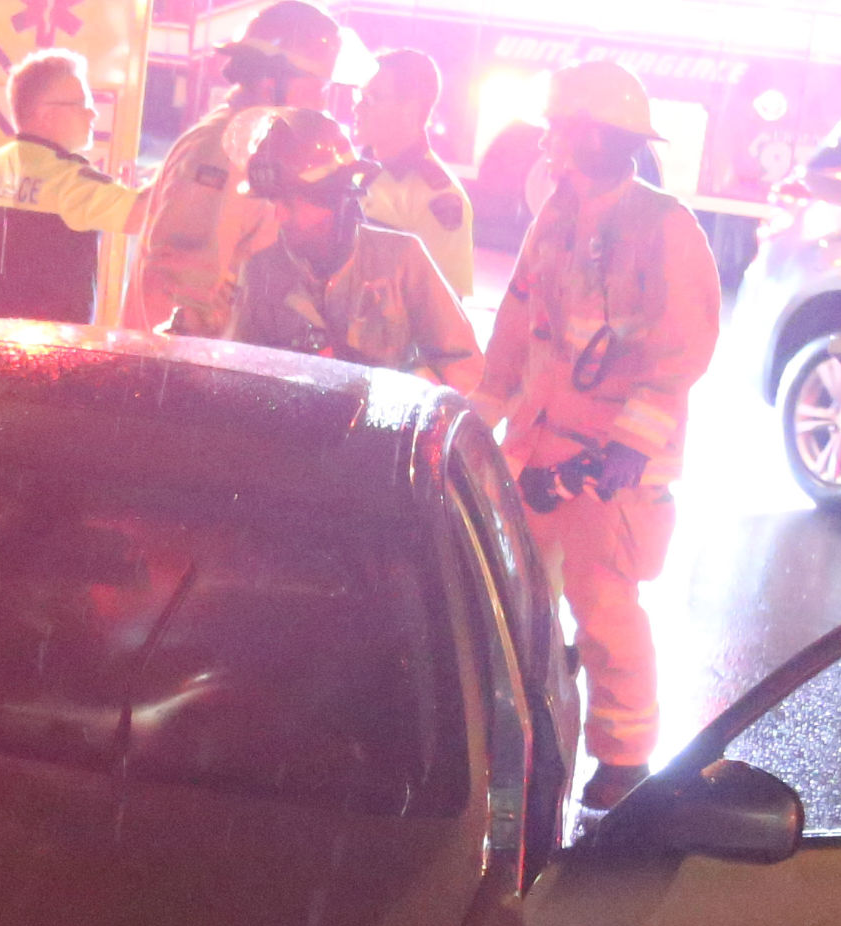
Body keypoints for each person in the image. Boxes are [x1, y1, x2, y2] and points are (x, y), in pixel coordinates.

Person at [472, 60, 720, 810]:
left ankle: (623, 761)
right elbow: (518, 319)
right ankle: (520, 742)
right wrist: (484, 411)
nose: (549, 142)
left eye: (560, 129)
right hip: (540, 448)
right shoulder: (557, 215)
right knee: (512, 604)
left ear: (596, 139)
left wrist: (630, 446)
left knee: (605, 610)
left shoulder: (664, 226)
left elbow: (681, 348)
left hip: (611, 468)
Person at [131, 0, 340, 335]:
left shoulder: (255, 146)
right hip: (197, 361)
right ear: (270, 84)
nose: (321, 102)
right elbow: (179, 283)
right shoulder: (223, 150)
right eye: (318, 88)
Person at [228, 111, 481, 379]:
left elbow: (464, 366)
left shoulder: (402, 260)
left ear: (331, 200)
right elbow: (240, 371)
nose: (278, 215)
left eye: (289, 203)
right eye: (273, 201)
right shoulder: (261, 269)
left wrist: (412, 394)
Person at [0, 48, 144, 322]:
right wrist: (181, 171)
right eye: (82, 104)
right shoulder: (69, 181)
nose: (93, 114)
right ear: (46, 115)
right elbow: (145, 216)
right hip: (55, 345)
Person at [356, 46, 480, 308]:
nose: (357, 108)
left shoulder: (439, 198)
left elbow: (442, 309)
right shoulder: (353, 170)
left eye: (371, 99)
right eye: (359, 97)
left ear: (410, 110)